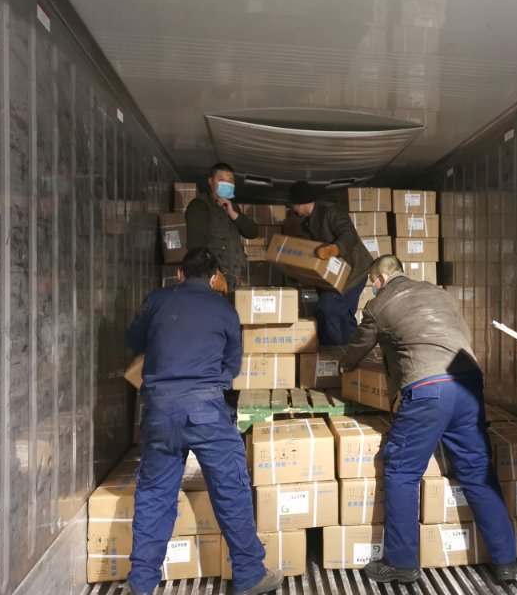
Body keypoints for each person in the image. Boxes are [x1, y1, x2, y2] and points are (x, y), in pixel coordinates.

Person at [341, 254, 517, 584]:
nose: (373, 287)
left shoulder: (378, 305)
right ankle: (506, 560)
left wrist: (343, 366)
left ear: (380, 280)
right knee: (478, 470)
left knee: (402, 470)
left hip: (428, 389)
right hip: (468, 382)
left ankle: (401, 562)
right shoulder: (439, 293)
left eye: (372, 282)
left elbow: (358, 347)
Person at [124, 248, 282, 595]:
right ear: (213, 278)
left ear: (179, 274)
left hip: (159, 410)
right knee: (230, 489)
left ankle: (140, 583)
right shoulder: (224, 310)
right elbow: (232, 366)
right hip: (207, 410)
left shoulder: (157, 300)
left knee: (155, 495)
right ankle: (249, 574)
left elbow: (132, 341)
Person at [288, 180, 370, 345]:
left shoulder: (331, 212)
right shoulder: (306, 223)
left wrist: (333, 249)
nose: (292, 209)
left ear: (299, 203)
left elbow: (349, 235)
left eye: (293, 204)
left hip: (352, 273)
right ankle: (351, 353)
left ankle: (331, 352)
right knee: (344, 316)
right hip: (332, 276)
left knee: (326, 309)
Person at [185, 162, 258, 293]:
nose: (227, 184)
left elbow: (252, 232)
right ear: (211, 181)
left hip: (233, 279)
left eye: (230, 181)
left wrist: (233, 214)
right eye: (222, 180)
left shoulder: (232, 207)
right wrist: (212, 274)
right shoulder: (200, 206)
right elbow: (196, 245)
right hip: (213, 280)